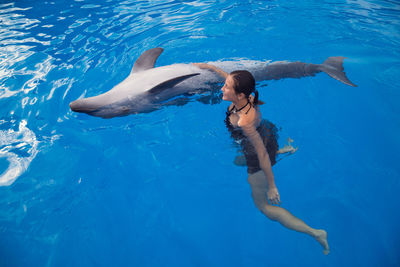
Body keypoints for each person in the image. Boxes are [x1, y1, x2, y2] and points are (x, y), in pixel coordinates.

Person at [193, 63, 330, 255]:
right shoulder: (247, 95)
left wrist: (272, 185)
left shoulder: (244, 121)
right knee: (237, 160)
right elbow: (231, 79)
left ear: (239, 95)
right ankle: (280, 151)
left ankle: (315, 232)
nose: (222, 88)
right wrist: (209, 67)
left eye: (226, 87)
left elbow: (261, 154)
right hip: (268, 134)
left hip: (258, 152)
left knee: (264, 207)